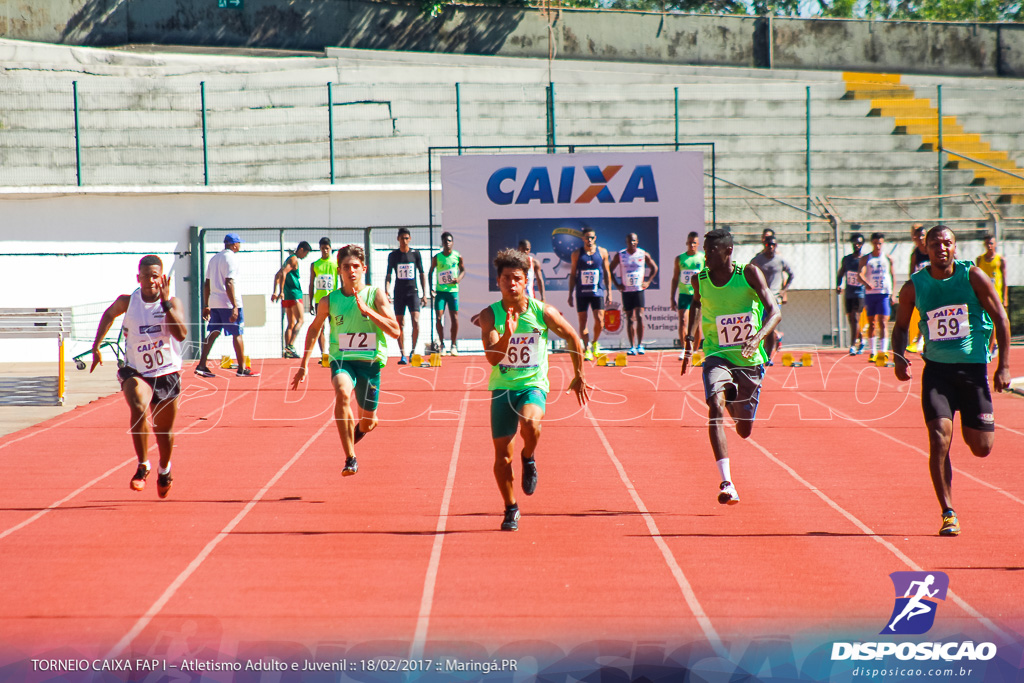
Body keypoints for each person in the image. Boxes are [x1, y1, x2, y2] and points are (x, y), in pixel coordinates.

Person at [892, 225, 1010, 537]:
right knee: (938, 438)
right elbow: (901, 326)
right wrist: (899, 356)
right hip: (937, 373)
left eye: (947, 243)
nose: (941, 248)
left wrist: (1004, 367)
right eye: (935, 244)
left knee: (981, 447)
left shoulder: (972, 276)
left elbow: (1001, 317)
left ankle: (971, 430)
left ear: (954, 247)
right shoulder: (915, 286)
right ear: (926, 249)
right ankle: (948, 512)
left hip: (973, 373)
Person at [479, 248, 590, 531]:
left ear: (526, 280)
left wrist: (579, 374)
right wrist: (508, 333)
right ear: (498, 281)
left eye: (517, 278)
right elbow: (493, 357)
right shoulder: (490, 315)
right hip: (503, 389)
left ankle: (528, 456)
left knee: (530, 422)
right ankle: (511, 507)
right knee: (502, 458)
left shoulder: (543, 312)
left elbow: (573, 337)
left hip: (532, 384)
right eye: (506, 279)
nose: (512, 284)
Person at [681, 229, 780, 506]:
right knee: (714, 405)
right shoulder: (699, 279)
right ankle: (727, 482)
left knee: (744, 429)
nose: (705, 255)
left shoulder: (748, 273)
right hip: (716, 353)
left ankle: (733, 396)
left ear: (728, 251)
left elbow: (775, 311)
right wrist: (690, 340)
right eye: (704, 249)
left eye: (711, 251)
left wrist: (757, 338)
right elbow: (696, 304)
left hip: (749, 360)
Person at [292, 244, 401, 476]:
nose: (351, 271)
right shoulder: (329, 301)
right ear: (339, 271)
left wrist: (369, 312)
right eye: (345, 267)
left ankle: (365, 425)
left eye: (355, 266)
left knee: (368, 423)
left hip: (370, 364)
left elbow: (395, 331)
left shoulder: (375, 295)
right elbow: (313, 330)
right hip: (342, 360)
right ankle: (350, 458)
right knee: (342, 392)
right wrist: (303, 366)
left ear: (363, 268)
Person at [91, 255, 187, 498]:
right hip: (137, 372)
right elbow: (108, 314)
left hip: (167, 372)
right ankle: (143, 465)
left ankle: (164, 469)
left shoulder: (173, 303)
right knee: (138, 406)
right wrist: (97, 346)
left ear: (162, 278)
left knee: (163, 433)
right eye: (145, 276)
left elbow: (181, 334)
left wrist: (165, 304)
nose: (150, 281)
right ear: (138, 278)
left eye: (155, 276)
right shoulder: (128, 301)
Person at [195, 233, 259, 378]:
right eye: (238, 243)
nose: (240, 246)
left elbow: (207, 284)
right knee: (237, 333)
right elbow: (229, 281)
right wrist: (234, 306)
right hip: (228, 303)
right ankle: (242, 368)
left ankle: (202, 364)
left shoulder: (214, 258)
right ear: (234, 244)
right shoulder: (232, 259)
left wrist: (206, 304)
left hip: (215, 301)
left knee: (212, 333)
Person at [567, 226, 613, 361]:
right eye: (587, 237)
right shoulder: (576, 254)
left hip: (597, 291)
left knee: (600, 320)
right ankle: (586, 348)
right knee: (583, 321)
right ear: (583, 239)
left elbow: (607, 273)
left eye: (592, 237)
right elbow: (573, 274)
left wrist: (609, 292)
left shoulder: (602, 252)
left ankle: (595, 342)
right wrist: (570, 293)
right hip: (582, 293)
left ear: (595, 238)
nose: (590, 240)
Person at [609, 233, 659, 355]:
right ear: (626, 242)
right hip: (626, 291)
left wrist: (648, 281)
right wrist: (617, 284)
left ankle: (640, 345)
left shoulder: (642, 254)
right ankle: (632, 346)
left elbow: (654, 268)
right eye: (630, 241)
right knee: (630, 318)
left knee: (640, 316)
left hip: (638, 290)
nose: (632, 243)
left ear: (637, 242)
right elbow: (609, 269)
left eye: (634, 241)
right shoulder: (621, 255)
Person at [385, 228, 426, 365]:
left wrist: (425, 293)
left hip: (413, 292)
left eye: (406, 238)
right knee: (399, 323)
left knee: (415, 320)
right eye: (402, 238)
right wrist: (387, 290)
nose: (404, 241)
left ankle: (413, 351)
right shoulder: (393, 255)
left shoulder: (415, 254)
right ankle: (402, 353)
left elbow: (421, 273)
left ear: (410, 239)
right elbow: (389, 274)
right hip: (399, 292)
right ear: (398, 239)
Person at [749, 235, 793, 363]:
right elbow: (748, 273)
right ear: (764, 245)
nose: (771, 247)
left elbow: (792, 274)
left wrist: (784, 290)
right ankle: (758, 353)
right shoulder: (757, 260)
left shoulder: (780, 261)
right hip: (760, 298)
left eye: (774, 245)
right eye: (769, 245)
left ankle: (768, 356)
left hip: (775, 298)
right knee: (758, 327)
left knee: (770, 326)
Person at [858, 232, 895, 363]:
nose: (878, 246)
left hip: (884, 293)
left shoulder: (887, 258)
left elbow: (892, 275)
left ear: (882, 243)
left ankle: (884, 351)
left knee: (883, 322)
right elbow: (860, 274)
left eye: (880, 243)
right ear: (872, 243)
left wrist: (892, 293)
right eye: (875, 243)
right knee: (872, 323)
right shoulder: (867, 258)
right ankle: (873, 352)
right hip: (871, 294)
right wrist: (866, 283)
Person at [271, 240, 312, 358]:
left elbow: (277, 275)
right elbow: (283, 273)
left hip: (288, 296)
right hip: (294, 294)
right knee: (301, 320)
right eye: (306, 253)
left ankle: (287, 351)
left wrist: (275, 291)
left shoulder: (288, 260)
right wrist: (281, 291)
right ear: (301, 250)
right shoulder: (294, 259)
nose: (305, 256)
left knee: (291, 323)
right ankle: (290, 346)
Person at [428, 231, 466, 356]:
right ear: (442, 243)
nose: (447, 243)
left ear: (452, 242)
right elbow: (430, 272)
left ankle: (453, 345)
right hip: (440, 292)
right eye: (445, 241)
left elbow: (463, 270)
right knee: (439, 318)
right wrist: (430, 289)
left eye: (449, 241)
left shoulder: (457, 256)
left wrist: (458, 279)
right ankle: (442, 344)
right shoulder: (437, 257)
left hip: (453, 292)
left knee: (454, 318)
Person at [671, 231, 705, 360]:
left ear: (698, 244)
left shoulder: (702, 258)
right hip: (684, 293)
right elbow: (675, 278)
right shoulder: (680, 258)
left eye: (694, 243)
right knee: (683, 320)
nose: (692, 245)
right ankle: (685, 348)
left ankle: (695, 350)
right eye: (690, 242)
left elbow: (707, 275)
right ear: (686, 243)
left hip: (698, 294)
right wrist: (672, 297)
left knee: (697, 323)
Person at [976, 234, 1009, 354]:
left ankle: (993, 345)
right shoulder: (980, 259)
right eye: (987, 243)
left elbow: (1005, 279)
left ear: (995, 244)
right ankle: (988, 344)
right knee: (984, 321)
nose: (989, 246)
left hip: (996, 295)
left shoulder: (1000, 260)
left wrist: (1005, 297)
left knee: (996, 321)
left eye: (991, 243)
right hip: (983, 295)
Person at [836, 232, 866, 355]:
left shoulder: (865, 259)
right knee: (851, 319)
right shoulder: (847, 259)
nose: (857, 245)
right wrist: (838, 284)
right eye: (855, 243)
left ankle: (853, 345)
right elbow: (841, 273)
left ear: (862, 244)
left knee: (855, 318)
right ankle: (862, 339)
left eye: (859, 243)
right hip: (849, 293)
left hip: (860, 293)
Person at [309, 237, 338, 356]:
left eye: (327, 248)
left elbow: (342, 281)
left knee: (335, 327)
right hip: (319, 300)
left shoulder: (336, 264)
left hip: (333, 299)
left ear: (330, 249)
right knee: (320, 327)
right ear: (320, 249)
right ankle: (323, 354)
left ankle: (333, 352)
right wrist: (310, 301)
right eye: (322, 248)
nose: (325, 250)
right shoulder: (315, 264)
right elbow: (311, 283)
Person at [907, 223, 930, 354]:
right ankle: (920, 340)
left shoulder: (932, 249)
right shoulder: (915, 253)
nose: (921, 238)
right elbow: (911, 272)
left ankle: (923, 340)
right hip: (923, 288)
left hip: (936, 286)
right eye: (919, 236)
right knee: (924, 314)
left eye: (923, 236)